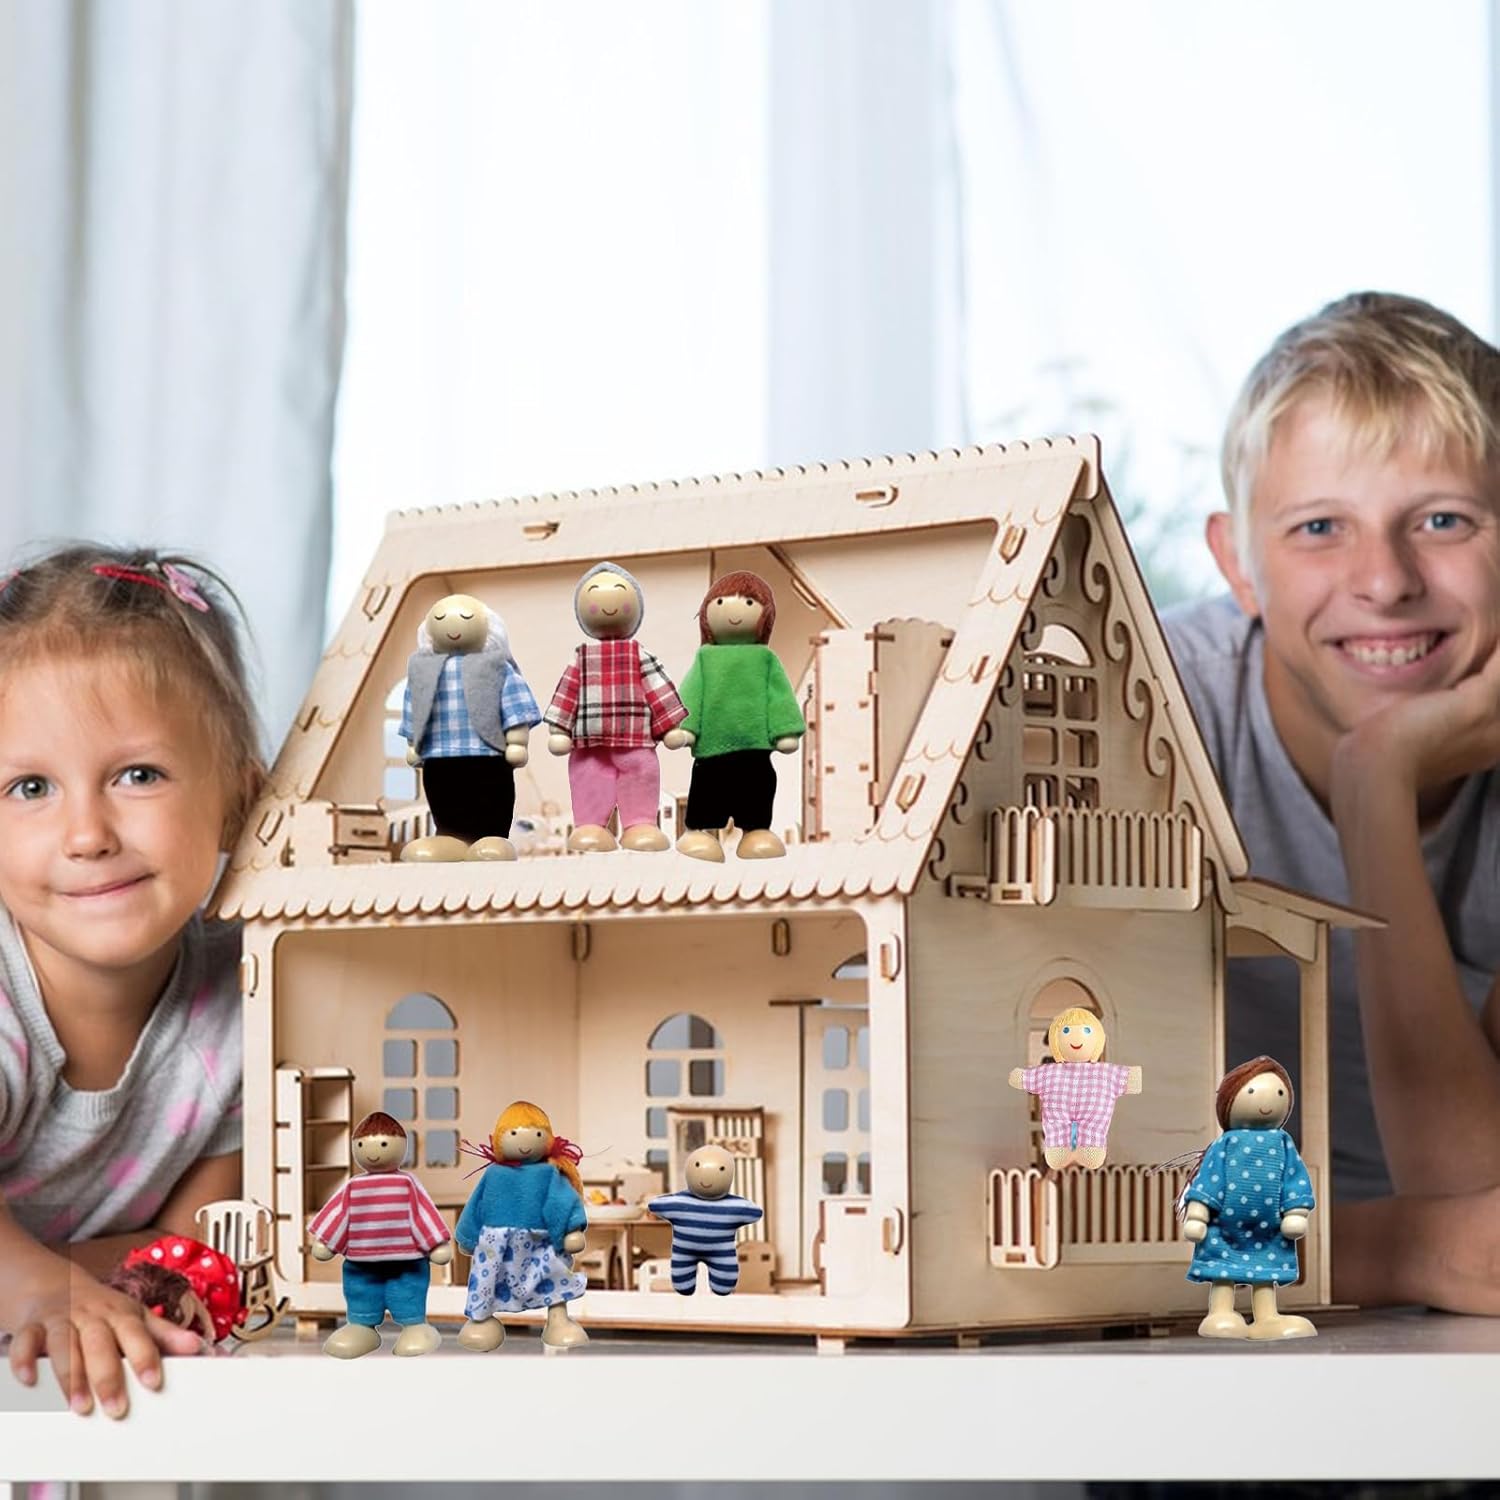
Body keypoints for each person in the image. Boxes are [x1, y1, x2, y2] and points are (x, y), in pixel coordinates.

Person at [1164, 291, 1500, 1313]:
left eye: (1443, 520)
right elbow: (1459, 1249)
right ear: (1239, 565)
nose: (1385, 581)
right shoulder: (1148, 714)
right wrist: (1397, 1255)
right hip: (1186, 1324)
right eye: (1319, 527)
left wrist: (1374, 787)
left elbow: (1479, 1214)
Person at [0, 545, 265, 1415]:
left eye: (137, 775)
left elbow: (188, 1253)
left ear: (238, 800)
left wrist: (51, 1287)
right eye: (29, 787)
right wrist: (44, 1286)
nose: (87, 835)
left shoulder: (247, 998)